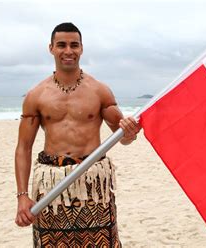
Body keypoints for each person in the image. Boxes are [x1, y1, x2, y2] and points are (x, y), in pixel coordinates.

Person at [14, 22, 141, 247]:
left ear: (82, 48)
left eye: (74, 45)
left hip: (93, 183)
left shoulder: (99, 91)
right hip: (51, 186)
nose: (68, 51)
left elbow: (123, 138)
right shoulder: (36, 96)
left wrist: (129, 132)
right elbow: (23, 148)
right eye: (61, 45)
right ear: (51, 48)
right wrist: (22, 196)